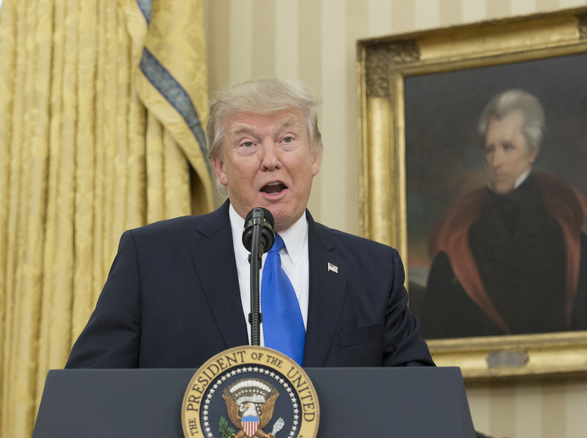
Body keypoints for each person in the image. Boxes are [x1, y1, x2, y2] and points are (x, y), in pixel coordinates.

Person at [65, 78, 434, 368]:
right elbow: (92, 394)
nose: (270, 159)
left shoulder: (373, 269)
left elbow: (416, 398)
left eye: (287, 139)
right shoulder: (150, 259)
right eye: (247, 144)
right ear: (221, 167)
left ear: (315, 156)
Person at [418, 89, 587, 339]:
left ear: (532, 153)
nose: (496, 162)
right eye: (489, 150)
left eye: (507, 148)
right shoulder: (457, 247)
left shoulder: (570, 244)